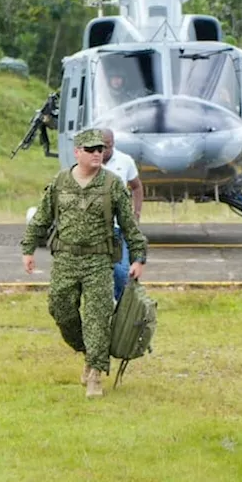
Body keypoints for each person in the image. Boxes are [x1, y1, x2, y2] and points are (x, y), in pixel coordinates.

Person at [21, 128, 148, 399]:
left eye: (100, 149)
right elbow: (42, 218)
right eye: (90, 149)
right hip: (65, 260)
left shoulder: (113, 184)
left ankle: (95, 375)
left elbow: (129, 225)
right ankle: (89, 352)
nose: (96, 154)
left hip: (98, 261)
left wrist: (138, 256)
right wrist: (28, 249)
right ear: (77, 152)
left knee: (97, 317)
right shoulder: (60, 182)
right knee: (60, 308)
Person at [99, 128, 143, 302]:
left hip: (118, 226)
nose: (103, 151)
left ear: (113, 144)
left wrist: (136, 213)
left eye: (107, 147)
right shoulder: (88, 162)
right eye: (100, 147)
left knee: (120, 271)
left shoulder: (125, 161)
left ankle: (120, 307)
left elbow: (137, 187)